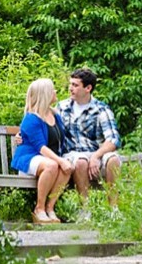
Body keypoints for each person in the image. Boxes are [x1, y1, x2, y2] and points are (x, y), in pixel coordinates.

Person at [56, 67, 124, 210]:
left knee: (113, 159)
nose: (70, 88)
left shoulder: (101, 109)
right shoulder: (62, 107)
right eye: (70, 84)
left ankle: (113, 210)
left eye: (75, 85)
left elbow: (113, 139)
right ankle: (85, 210)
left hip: (97, 154)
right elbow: (45, 124)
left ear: (88, 88)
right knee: (81, 161)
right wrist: (23, 134)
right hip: (73, 155)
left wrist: (96, 156)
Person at [10, 78, 73, 224]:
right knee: (54, 165)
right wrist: (60, 160)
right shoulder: (31, 118)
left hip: (49, 159)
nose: (55, 92)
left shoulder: (55, 115)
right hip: (30, 159)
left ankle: (50, 208)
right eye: (52, 90)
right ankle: (39, 209)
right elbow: (41, 148)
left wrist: (64, 159)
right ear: (45, 94)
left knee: (67, 167)